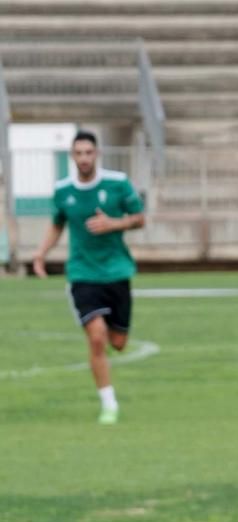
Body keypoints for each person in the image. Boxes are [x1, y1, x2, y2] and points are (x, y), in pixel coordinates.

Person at [30, 131, 145, 424]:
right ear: (72, 156)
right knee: (96, 338)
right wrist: (41, 253)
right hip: (82, 273)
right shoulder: (63, 190)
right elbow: (57, 224)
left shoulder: (117, 183)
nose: (84, 158)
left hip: (117, 272)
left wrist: (113, 224)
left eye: (88, 153)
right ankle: (109, 404)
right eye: (78, 153)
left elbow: (140, 218)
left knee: (117, 342)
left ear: (97, 154)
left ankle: (107, 329)